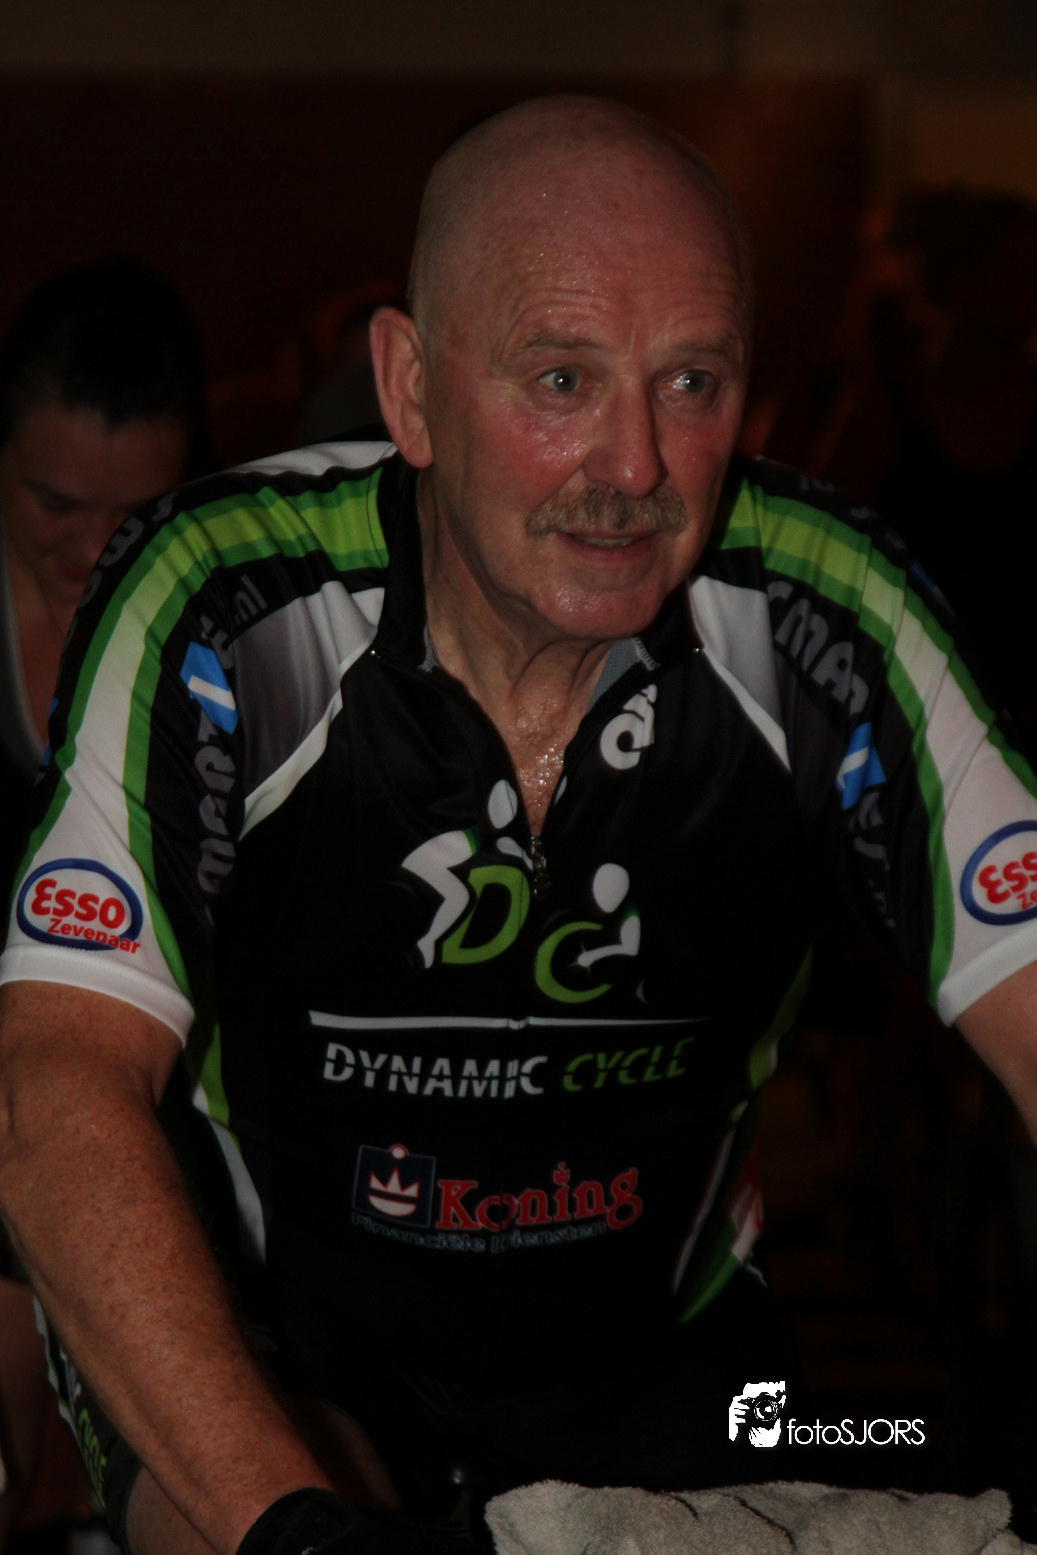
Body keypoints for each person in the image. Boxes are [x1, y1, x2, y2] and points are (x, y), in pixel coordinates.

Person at [1, 95, 1037, 1555]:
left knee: (897, 1458)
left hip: (683, 1372)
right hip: (290, 1361)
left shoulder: (826, 616)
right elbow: (52, 1088)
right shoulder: (224, 602)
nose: (636, 466)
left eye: (692, 381)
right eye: (563, 378)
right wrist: (298, 1537)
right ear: (411, 389)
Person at [0, 256, 205, 1547]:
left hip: (143, 1101)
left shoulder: (226, 622)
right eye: (53, 502)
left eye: (137, 512)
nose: (94, 547)